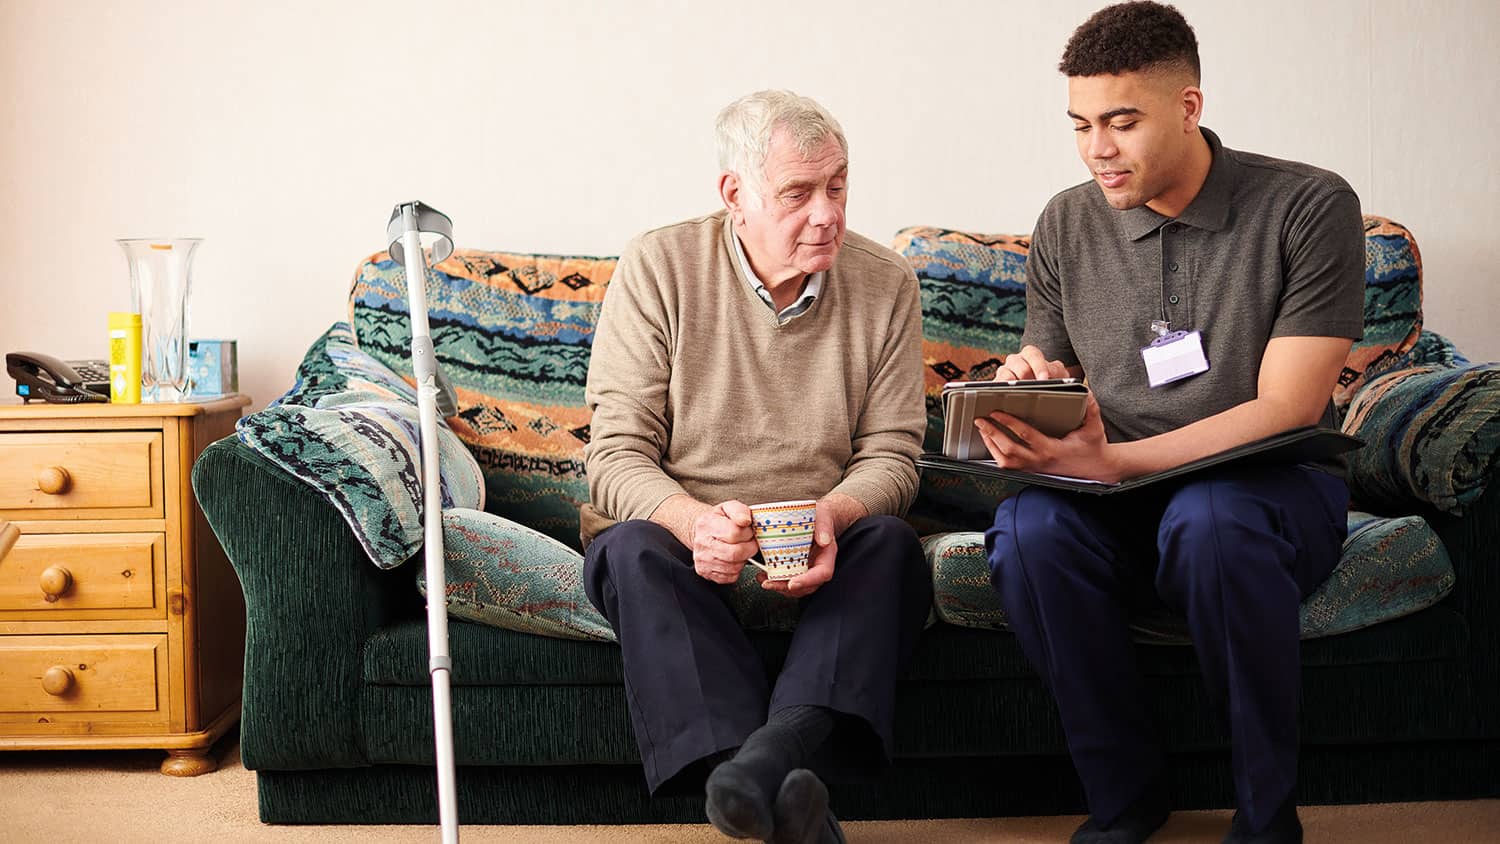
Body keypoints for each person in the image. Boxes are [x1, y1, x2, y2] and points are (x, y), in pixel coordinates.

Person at [977, 4, 1365, 844]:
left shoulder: (1308, 204)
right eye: (1080, 125)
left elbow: (1287, 409)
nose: (1097, 150)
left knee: (1211, 519)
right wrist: (1027, 386)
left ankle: (1267, 818)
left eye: (1122, 122)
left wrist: (1115, 462)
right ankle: (1125, 799)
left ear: (1189, 106)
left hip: (1269, 487)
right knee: (1027, 531)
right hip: (1117, 491)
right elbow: (1053, 369)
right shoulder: (1065, 222)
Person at [581, 89, 932, 844]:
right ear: (734, 195)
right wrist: (693, 522)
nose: (827, 214)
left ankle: (754, 770)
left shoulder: (887, 283)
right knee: (628, 550)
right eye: (798, 193)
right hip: (688, 537)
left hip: (824, 540)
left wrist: (831, 516)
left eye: (837, 187)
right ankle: (783, 786)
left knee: (893, 545)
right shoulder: (659, 266)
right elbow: (615, 456)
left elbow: (895, 456)